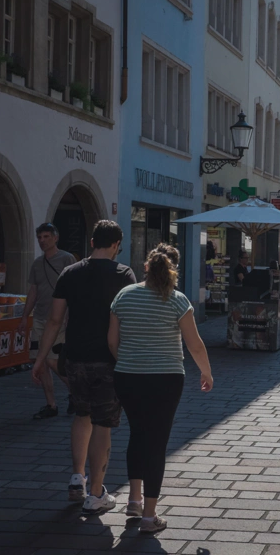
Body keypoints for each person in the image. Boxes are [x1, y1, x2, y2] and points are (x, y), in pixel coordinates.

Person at [32, 220, 136, 514]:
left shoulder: (70, 272)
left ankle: (77, 477)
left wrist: (40, 361)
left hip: (74, 357)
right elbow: (128, 319)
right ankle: (95, 494)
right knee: (103, 423)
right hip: (108, 359)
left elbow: (54, 321)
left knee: (81, 414)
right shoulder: (124, 274)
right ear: (116, 245)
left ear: (92, 242)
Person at [108, 244, 213, 534]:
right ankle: (149, 516)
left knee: (138, 435)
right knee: (156, 443)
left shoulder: (124, 296)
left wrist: (129, 362)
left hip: (128, 377)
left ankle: (133, 499)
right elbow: (194, 344)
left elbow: (112, 341)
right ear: (171, 271)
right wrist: (206, 372)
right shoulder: (177, 300)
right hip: (166, 379)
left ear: (145, 267)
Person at [19, 223, 77, 420]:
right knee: (39, 361)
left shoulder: (67, 259)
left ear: (55, 237)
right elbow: (33, 292)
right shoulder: (37, 263)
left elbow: (73, 289)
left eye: (46, 236)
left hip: (59, 319)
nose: (42, 241)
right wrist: (24, 317)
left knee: (53, 361)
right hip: (40, 318)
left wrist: (70, 314)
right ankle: (51, 404)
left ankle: (76, 393)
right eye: (39, 238)